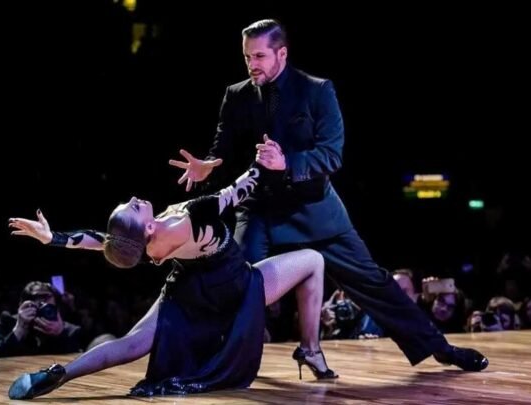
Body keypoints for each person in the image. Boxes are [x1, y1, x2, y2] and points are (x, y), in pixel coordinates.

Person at [169, 18, 488, 371]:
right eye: (247, 57)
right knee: (236, 282)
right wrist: (209, 165)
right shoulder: (236, 94)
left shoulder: (317, 90)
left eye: (259, 56)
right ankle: (206, 360)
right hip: (260, 210)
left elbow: (332, 154)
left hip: (314, 211)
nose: (251, 64)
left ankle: (440, 348)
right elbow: (223, 148)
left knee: (373, 282)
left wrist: (287, 163)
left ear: (282, 54)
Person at [5, 145, 335, 400]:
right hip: (234, 284)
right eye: (134, 207)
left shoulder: (145, 246)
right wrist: (265, 163)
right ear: (147, 226)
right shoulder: (188, 217)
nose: (134, 198)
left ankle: (60, 373)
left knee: (133, 343)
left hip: (188, 291)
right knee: (313, 260)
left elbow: (102, 241)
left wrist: (53, 238)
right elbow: (237, 191)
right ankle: (310, 350)